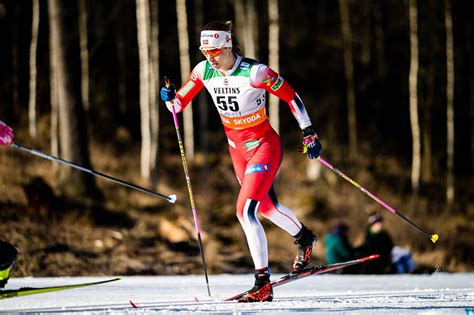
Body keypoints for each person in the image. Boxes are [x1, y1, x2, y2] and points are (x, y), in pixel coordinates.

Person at [160, 21, 322, 302]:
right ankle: (304, 237)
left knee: (245, 211)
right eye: (205, 51)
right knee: (268, 208)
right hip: (237, 151)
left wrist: (308, 131)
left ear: (229, 45)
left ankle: (262, 283)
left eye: (216, 51)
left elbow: (291, 97)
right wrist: (168, 98)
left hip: (264, 146)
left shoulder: (255, 72)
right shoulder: (203, 71)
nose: (210, 57)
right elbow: (177, 106)